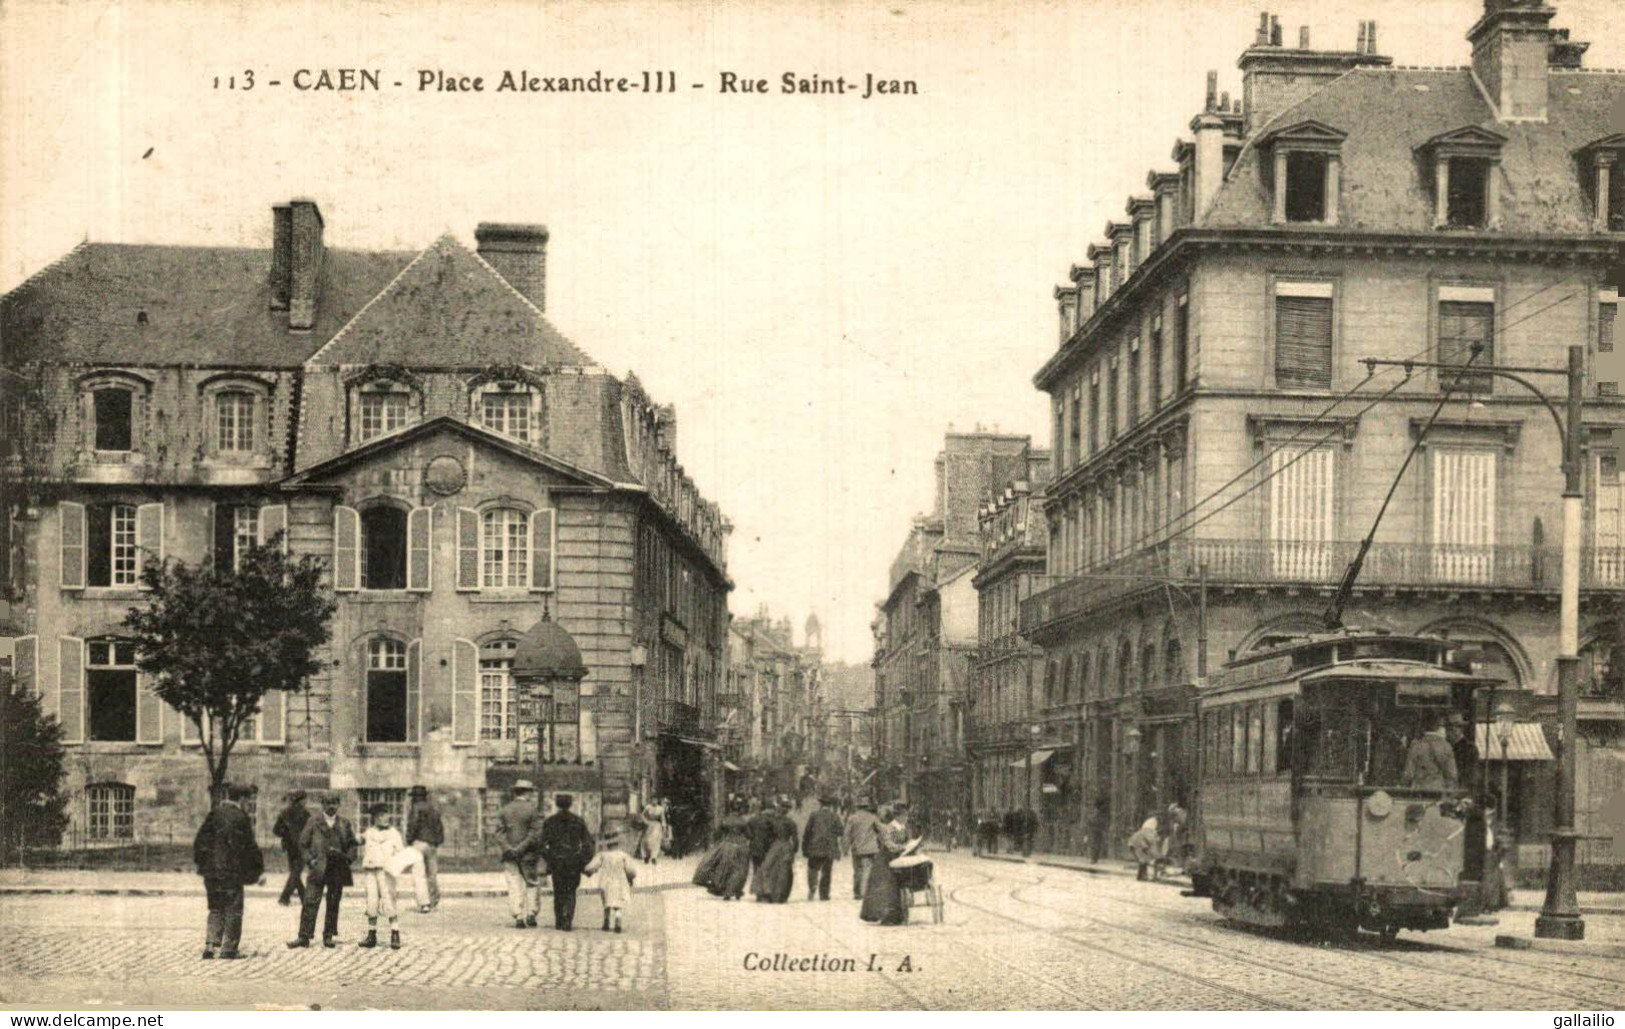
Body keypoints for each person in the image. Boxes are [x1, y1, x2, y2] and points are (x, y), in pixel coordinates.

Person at [193, 782, 263, 960]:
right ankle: (228, 949)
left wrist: (204, 865)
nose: (247, 803)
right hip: (232, 873)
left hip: (211, 873)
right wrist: (257, 871)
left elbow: (199, 842)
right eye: (247, 799)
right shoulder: (240, 818)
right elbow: (249, 847)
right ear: (241, 799)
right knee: (233, 909)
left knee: (216, 908)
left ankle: (210, 945)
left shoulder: (214, 814)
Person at [289, 792, 358, 948]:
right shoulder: (313, 821)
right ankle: (303, 936)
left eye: (334, 802)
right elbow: (303, 844)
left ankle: (328, 935)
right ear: (322, 804)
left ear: (338, 804)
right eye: (327, 802)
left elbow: (353, 844)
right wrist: (310, 860)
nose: (331, 806)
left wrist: (347, 859)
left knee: (333, 902)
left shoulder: (344, 824)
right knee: (310, 901)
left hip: (337, 869)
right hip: (317, 868)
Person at [490, 780, 545, 929]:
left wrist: (508, 848)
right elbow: (535, 834)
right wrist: (521, 848)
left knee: (513, 884)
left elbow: (498, 834)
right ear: (527, 792)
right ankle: (531, 914)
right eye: (530, 792)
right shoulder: (533, 810)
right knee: (532, 883)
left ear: (515, 792)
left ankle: (518, 916)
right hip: (528, 854)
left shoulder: (504, 810)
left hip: (509, 855)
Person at [541, 793, 596, 931]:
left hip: (557, 861)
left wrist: (549, 857)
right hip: (573, 861)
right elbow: (589, 844)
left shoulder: (550, 822)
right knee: (571, 891)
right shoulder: (578, 821)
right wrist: (582, 860)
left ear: (557, 804)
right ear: (570, 804)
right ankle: (568, 920)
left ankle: (559, 921)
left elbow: (541, 844)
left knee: (558, 891)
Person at [357, 803, 404, 950]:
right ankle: (371, 934)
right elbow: (358, 840)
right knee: (371, 901)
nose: (384, 818)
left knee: (389, 900)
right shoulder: (369, 832)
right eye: (380, 816)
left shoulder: (394, 833)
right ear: (375, 818)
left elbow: (400, 853)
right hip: (371, 870)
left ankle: (395, 934)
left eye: (385, 815)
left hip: (386, 871)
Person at [860, 802, 910, 926]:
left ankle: (898, 915)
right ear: (898, 816)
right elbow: (889, 845)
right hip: (885, 861)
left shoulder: (904, 828)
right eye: (905, 816)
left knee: (897, 886)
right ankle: (887, 916)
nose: (906, 818)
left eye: (907, 816)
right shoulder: (889, 828)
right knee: (887, 888)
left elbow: (908, 841)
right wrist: (903, 847)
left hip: (898, 859)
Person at [693, 799, 753, 900]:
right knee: (740, 870)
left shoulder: (725, 820)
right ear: (740, 809)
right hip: (741, 846)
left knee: (727, 868)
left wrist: (716, 843)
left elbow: (717, 833)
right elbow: (749, 835)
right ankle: (736, 890)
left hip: (727, 845)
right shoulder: (743, 821)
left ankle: (725, 889)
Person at [585, 827, 637, 932]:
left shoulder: (602, 855)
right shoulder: (623, 855)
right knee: (618, 903)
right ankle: (618, 922)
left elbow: (591, 867)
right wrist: (630, 878)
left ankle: (606, 922)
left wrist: (588, 871)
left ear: (607, 844)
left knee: (607, 902)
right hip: (619, 882)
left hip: (606, 882)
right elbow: (631, 870)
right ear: (617, 843)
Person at [752, 797, 798, 903]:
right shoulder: (791, 823)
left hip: (775, 846)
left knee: (769, 868)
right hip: (786, 846)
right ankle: (781, 895)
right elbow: (795, 839)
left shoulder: (773, 822)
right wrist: (794, 850)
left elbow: (768, 835)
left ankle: (767, 892)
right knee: (784, 871)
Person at [405, 784, 443, 913]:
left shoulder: (415, 808)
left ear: (415, 797)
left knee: (419, 874)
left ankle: (424, 903)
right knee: (432, 874)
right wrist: (437, 841)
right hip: (432, 844)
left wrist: (409, 839)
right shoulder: (433, 808)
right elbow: (439, 827)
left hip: (419, 843)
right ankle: (434, 901)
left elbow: (413, 825)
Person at [802, 794, 843, 901]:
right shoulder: (835, 816)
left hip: (815, 846)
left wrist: (805, 847)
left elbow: (807, 832)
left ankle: (812, 886)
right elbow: (840, 831)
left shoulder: (814, 815)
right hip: (829, 847)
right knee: (826, 871)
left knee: (812, 868)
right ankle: (824, 894)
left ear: (821, 804)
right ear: (830, 805)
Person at [271, 789, 309, 907]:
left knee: (295, 872)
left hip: (290, 847)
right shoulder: (306, 814)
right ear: (301, 800)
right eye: (305, 799)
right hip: (301, 847)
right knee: (296, 873)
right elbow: (310, 831)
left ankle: (304, 898)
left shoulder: (285, 813)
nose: (306, 802)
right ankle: (284, 897)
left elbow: (276, 830)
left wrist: (286, 835)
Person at [1403, 714, 1460, 790]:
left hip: (1419, 789)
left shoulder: (1416, 745)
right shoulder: (1446, 746)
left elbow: (1408, 774)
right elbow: (1452, 774)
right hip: (1438, 789)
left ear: (1423, 727)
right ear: (1438, 727)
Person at [843, 798, 882, 898]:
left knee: (858, 871)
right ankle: (871, 892)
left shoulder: (852, 818)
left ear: (857, 807)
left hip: (857, 849)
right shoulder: (873, 817)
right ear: (867, 806)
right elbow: (882, 830)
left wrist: (845, 848)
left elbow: (847, 834)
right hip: (872, 849)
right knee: (872, 870)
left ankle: (857, 893)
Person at [745, 799, 777, 879]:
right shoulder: (770, 820)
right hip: (767, 846)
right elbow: (775, 833)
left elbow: (748, 835)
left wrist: (753, 837)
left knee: (756, 866)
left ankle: (757, 882)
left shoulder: (751, 820)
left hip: (755, 846)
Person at [1128, 813, 1161, 881]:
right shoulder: (1150, 829)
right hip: (1139, 845)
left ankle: (1142, 876)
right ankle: (1143, 876)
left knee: (1143, 861)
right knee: (1144, 860)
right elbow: (1151, 840)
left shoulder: (1145, 828)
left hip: (1134, 844)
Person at [638, 797, 668, 865]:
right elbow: (642, 815)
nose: (654, 801)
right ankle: (645, 856)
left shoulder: (660, 809)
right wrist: (646, 822)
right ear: (651, 800)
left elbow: (663, 819)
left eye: (656, 800)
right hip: (649, 825)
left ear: (657, 801)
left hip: (657, 825)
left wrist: (664, 827)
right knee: (646, 841)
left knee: (656, 840)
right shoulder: (648, 807)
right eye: (653, 800)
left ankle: (654, 857)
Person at [1089, 793, 1112, 864]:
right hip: (1100, 826)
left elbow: (1092, 819)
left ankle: (1094, 858)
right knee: (1098, 842)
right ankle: (1095, 857)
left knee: (1095, 842)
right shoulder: (1105, 810)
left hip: (1096, 826)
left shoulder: (1097, 811)